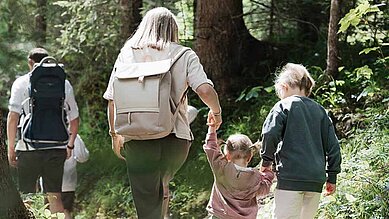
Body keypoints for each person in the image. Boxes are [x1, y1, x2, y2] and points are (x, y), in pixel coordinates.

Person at [103, 7, 222, 219]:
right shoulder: (184, 54)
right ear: (172, 30)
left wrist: (115, 135)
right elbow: (204, 89)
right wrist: (217, 112)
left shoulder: (127, 53)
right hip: (175, 138)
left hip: (136, 137)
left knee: (147, 201)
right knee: (162, 184)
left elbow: (112, 99)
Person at [260, 63, 342, 219]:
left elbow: (270, 134)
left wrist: (266, 161)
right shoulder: (320, 111)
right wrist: (332, 177)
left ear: (283, 86)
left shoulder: (282, 106)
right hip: (315, 181)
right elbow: (334, 148)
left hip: (291, 178)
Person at [7, 48, 80, 215]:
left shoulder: (20, 83)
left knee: (28, 197)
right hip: (56, 147)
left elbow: (13, 117)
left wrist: (11, 147)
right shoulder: (64, 83)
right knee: (55, 197)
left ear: (31, 62)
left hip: (27, 148)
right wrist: (69, 146)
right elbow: (74, 120)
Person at [203, 124, 274, 219]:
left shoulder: (222, 168)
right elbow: (265, 188)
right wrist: (267, 171)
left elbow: (211, 148)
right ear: (250, 157)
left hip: (220, 215)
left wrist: (212, 128)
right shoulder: (256, 177)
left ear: (227, 155)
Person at [61, 134, 89, 219]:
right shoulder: (73, 135)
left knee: (51, 212)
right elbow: (83, 157)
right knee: (65, 211)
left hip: (49, 181)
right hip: (68, 183)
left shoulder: (45, 132)